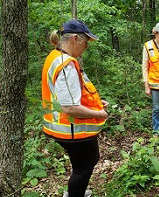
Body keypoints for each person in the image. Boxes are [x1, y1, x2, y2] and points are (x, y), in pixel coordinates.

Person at [41, 19, 109, 197]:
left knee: (86, 162)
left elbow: (69, 94)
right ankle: (75, 194)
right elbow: (70, 108)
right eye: (86, 42)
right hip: (71, 128)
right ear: (75, 39)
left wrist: (96, 103)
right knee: (83, 168)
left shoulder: (55, 57)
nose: (86, 47)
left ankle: (77, 191)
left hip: (64, 126)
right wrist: (99, 113)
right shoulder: (66, 65)